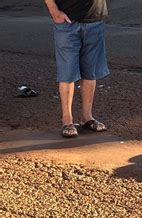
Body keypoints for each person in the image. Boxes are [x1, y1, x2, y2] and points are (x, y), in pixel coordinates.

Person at [44, 0, 109, 137]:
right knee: (67, 73)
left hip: (94, 19)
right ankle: (67, 121)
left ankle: (87, 118)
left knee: (90, 73)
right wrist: (54, 11)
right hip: (67, 21)